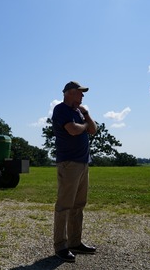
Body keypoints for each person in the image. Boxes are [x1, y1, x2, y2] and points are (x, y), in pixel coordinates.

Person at [52, 81, 98, 262]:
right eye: (80, 93)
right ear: (69, 93)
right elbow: (72, 130)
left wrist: (86, 114)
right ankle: (60, 246)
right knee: (64, 206)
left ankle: (74, 242)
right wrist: (85, 126)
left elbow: (93, 129)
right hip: (69, 164)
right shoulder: (61, 109)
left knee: (79, 205)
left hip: (82, 163)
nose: (83, 96)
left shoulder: (79, 112)